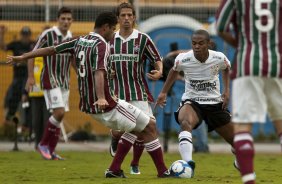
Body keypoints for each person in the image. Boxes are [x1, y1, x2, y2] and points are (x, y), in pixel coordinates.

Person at [7, 11, 171, 178]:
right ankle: (161, 171)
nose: (114, 33)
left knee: (142, 126)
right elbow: (99, 72)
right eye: (113, 28)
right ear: (106, 28)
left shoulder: (78, 40)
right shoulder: (102, 45)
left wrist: (24, 56)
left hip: (89, 105)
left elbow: (51, 50)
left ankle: (116, 169)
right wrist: (101, 97)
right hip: (107, 105)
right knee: (149, 126)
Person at [216, 1, 282, 183]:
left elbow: (220, 26)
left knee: (243, 127)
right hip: (277, 65)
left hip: (246, 64)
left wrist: (242, 44)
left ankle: (249, 180)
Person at [155, 29, 235, 177]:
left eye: (200, 43)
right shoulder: (183, 59)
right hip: (192, 102)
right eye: (194, 43)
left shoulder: (219, 57)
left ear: (208, 44)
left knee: (237, 142)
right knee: (185, 122)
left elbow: (227, 69)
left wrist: (227, 91)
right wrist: (163, 92)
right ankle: (188, 164)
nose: (197, 46)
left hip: (214, 103)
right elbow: (174, 70)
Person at [108, 2, 163, 175]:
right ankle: (116, 149)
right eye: (123, 15)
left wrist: (159, 71)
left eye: (129, 15)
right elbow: (99, 62)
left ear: (134, 18)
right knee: (135, 129)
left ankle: (132, 165)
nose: (126, 18)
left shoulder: (143, 39)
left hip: (138, 92)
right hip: (116, 94)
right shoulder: (109, 40)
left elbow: (156, 58)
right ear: (117, 18)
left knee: (146, 127)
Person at [25, 6, 73, 160]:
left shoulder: (71, 37)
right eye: (63, 18)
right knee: (58, 113)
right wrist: (30, 76)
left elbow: (72, 59)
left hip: (65, 81)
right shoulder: (48, 34)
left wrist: (82, 73)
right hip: (50, 79)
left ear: (72, 21)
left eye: (68, 19)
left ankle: (51, 151)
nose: (65, 22)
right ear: (58, 19)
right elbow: (32, 54)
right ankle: (43, 144)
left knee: (60, 116)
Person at [0, 26, 35, 127]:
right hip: (17, 77)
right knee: (12, 96)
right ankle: (9, 117)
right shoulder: (16, 44)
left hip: (28, 76)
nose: (25, 37)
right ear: (21, 35)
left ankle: (27, 124)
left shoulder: (33, 45)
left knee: (27, 98)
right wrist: (1, 34)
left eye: (27, 35)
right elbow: (3, 47)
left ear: (30, 36)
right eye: (23, 35)